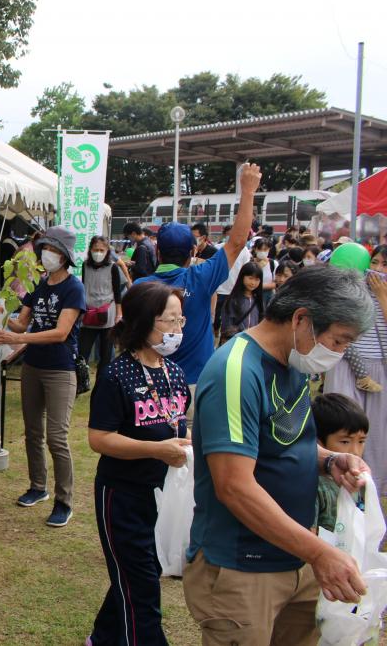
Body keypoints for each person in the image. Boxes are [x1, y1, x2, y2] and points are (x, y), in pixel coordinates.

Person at [183, 266, 374, 645]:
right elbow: (234, 486)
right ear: (302, 319)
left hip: (295, 554)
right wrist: (321, 554)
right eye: (338, 341)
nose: (339, 353)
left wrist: (329, 461)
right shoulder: (236, 371)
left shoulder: (293, 361)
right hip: (244, 566)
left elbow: (287, 439)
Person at [87, 281, 191, 646]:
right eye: (168, 322)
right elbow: (99, 439)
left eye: (180, 321)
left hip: (163, 497)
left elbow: (177, 424)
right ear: (142, 321)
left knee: (134, 576)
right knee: (142, 586)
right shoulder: (116, 375)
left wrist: (183, 445)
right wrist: (156, 450)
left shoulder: (174, 373)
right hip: (122, 496)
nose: (176, 331)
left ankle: (101, 638)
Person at [138, 163, 260, 420]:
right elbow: (237, 243)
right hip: (196, 383)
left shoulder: (140, 288)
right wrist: (248, 192)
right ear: (193, 252)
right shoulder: (201, 278)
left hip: (148, 386)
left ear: (158, 252)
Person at [0, 226, 86, 527]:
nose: (48, 254)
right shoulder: (39, 284)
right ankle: (37, 487)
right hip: (33, 367)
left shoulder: (74, 288)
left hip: (60, 370)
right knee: (33, 432)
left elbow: (61, 333)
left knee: (57, 437)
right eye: (45, 248)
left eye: (54, 250)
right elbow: (21, 323)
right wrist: (3, 316)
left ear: (65, 256)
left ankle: (64, 500)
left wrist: (21, 339)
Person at [324, 246, 387, 490]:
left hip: (379, 367)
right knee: (340, 422)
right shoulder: (351, 287)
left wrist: (382, 297)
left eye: (384, 265)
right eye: (375, 262)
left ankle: (370, 485)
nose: (377, 270)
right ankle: (333, 477)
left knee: (374, 431)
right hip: (346, 363)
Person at [313, 393, 369, 533]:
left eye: (361, 441)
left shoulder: (360, 479)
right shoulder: (315, 486)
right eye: (345, 442)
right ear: (318, 442)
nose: (355, 451)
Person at [79, 235, 124, 371]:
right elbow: (83, 286)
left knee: (105, 357)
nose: (98, 253)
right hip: (88, 315)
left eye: (101, 250)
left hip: (107, 316)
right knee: (82, 354)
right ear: (90, 250)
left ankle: (101, 386)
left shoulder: (113, 268)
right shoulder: (85, 266)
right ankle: (79, 383)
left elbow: (117, 293)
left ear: (107, 251)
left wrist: (118, 315)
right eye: (95, 249)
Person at [219, 262, 264, 345]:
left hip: (253, 344)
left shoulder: (258, 301)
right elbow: (227, 326)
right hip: (235, 343)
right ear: (242, 277)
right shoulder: (233, 300)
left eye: (257, 279)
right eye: (250, 278)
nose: (253, 283)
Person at [250, 237, 277, 306]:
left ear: (269, 250)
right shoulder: (249, 263)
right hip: (252, 294)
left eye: (265, 250)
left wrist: (260, 286)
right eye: (260, 249)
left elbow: (276, 282)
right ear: (255, 249)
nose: (262, 252)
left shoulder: (273, 263)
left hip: (268, 296)